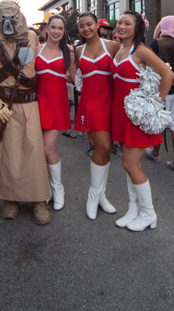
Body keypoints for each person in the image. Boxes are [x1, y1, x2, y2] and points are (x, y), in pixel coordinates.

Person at [0, 1, 50, 225]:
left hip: (29, 105)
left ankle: (38, 200)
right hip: (4, 108)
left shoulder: (30, 37)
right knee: (8, 153)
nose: (7, 21)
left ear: (19, 15)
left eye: (11, 16)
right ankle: (10, 199)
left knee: (33, 152)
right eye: (2, 17)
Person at [111, 11, 173, 232]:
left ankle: (148, 214)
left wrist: (156, 103)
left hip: (137, 117)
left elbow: (168, 74)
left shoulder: (141, 50)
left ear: (137, 28)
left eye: (127, 23)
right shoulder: (120, 49)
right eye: (119, 22)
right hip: (121, 114)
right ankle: (133, 209)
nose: (121, 26)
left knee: (130, 164)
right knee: (129, 165)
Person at [74, 12, 120, 220]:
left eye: (89, 24)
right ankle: (93, 196)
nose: (86, 29)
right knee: (102, 146)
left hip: (111, 103)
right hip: (91, 104)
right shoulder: (77, 50)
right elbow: (76, 76)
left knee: (107, 148)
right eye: (82, 26)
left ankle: (101, 196)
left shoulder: (111, 46)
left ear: (97, 25)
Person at [36, 14, 76, 211]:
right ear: (46, 29)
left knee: (47, 149)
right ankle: (46, 190)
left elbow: (78, 79)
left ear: (63, 31)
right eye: (53, 27)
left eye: (60, 28)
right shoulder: (36, 50)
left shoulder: (69, 53)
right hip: (36, 105)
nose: (56, 31)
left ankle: (58, 189)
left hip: (56, 106)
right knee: (37, 151)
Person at [145, 16, 174, 174]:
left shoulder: (156, 43)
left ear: (161, 27)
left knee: (158, 122)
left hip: (161, 90)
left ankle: (156, 153)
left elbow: (148, 65)